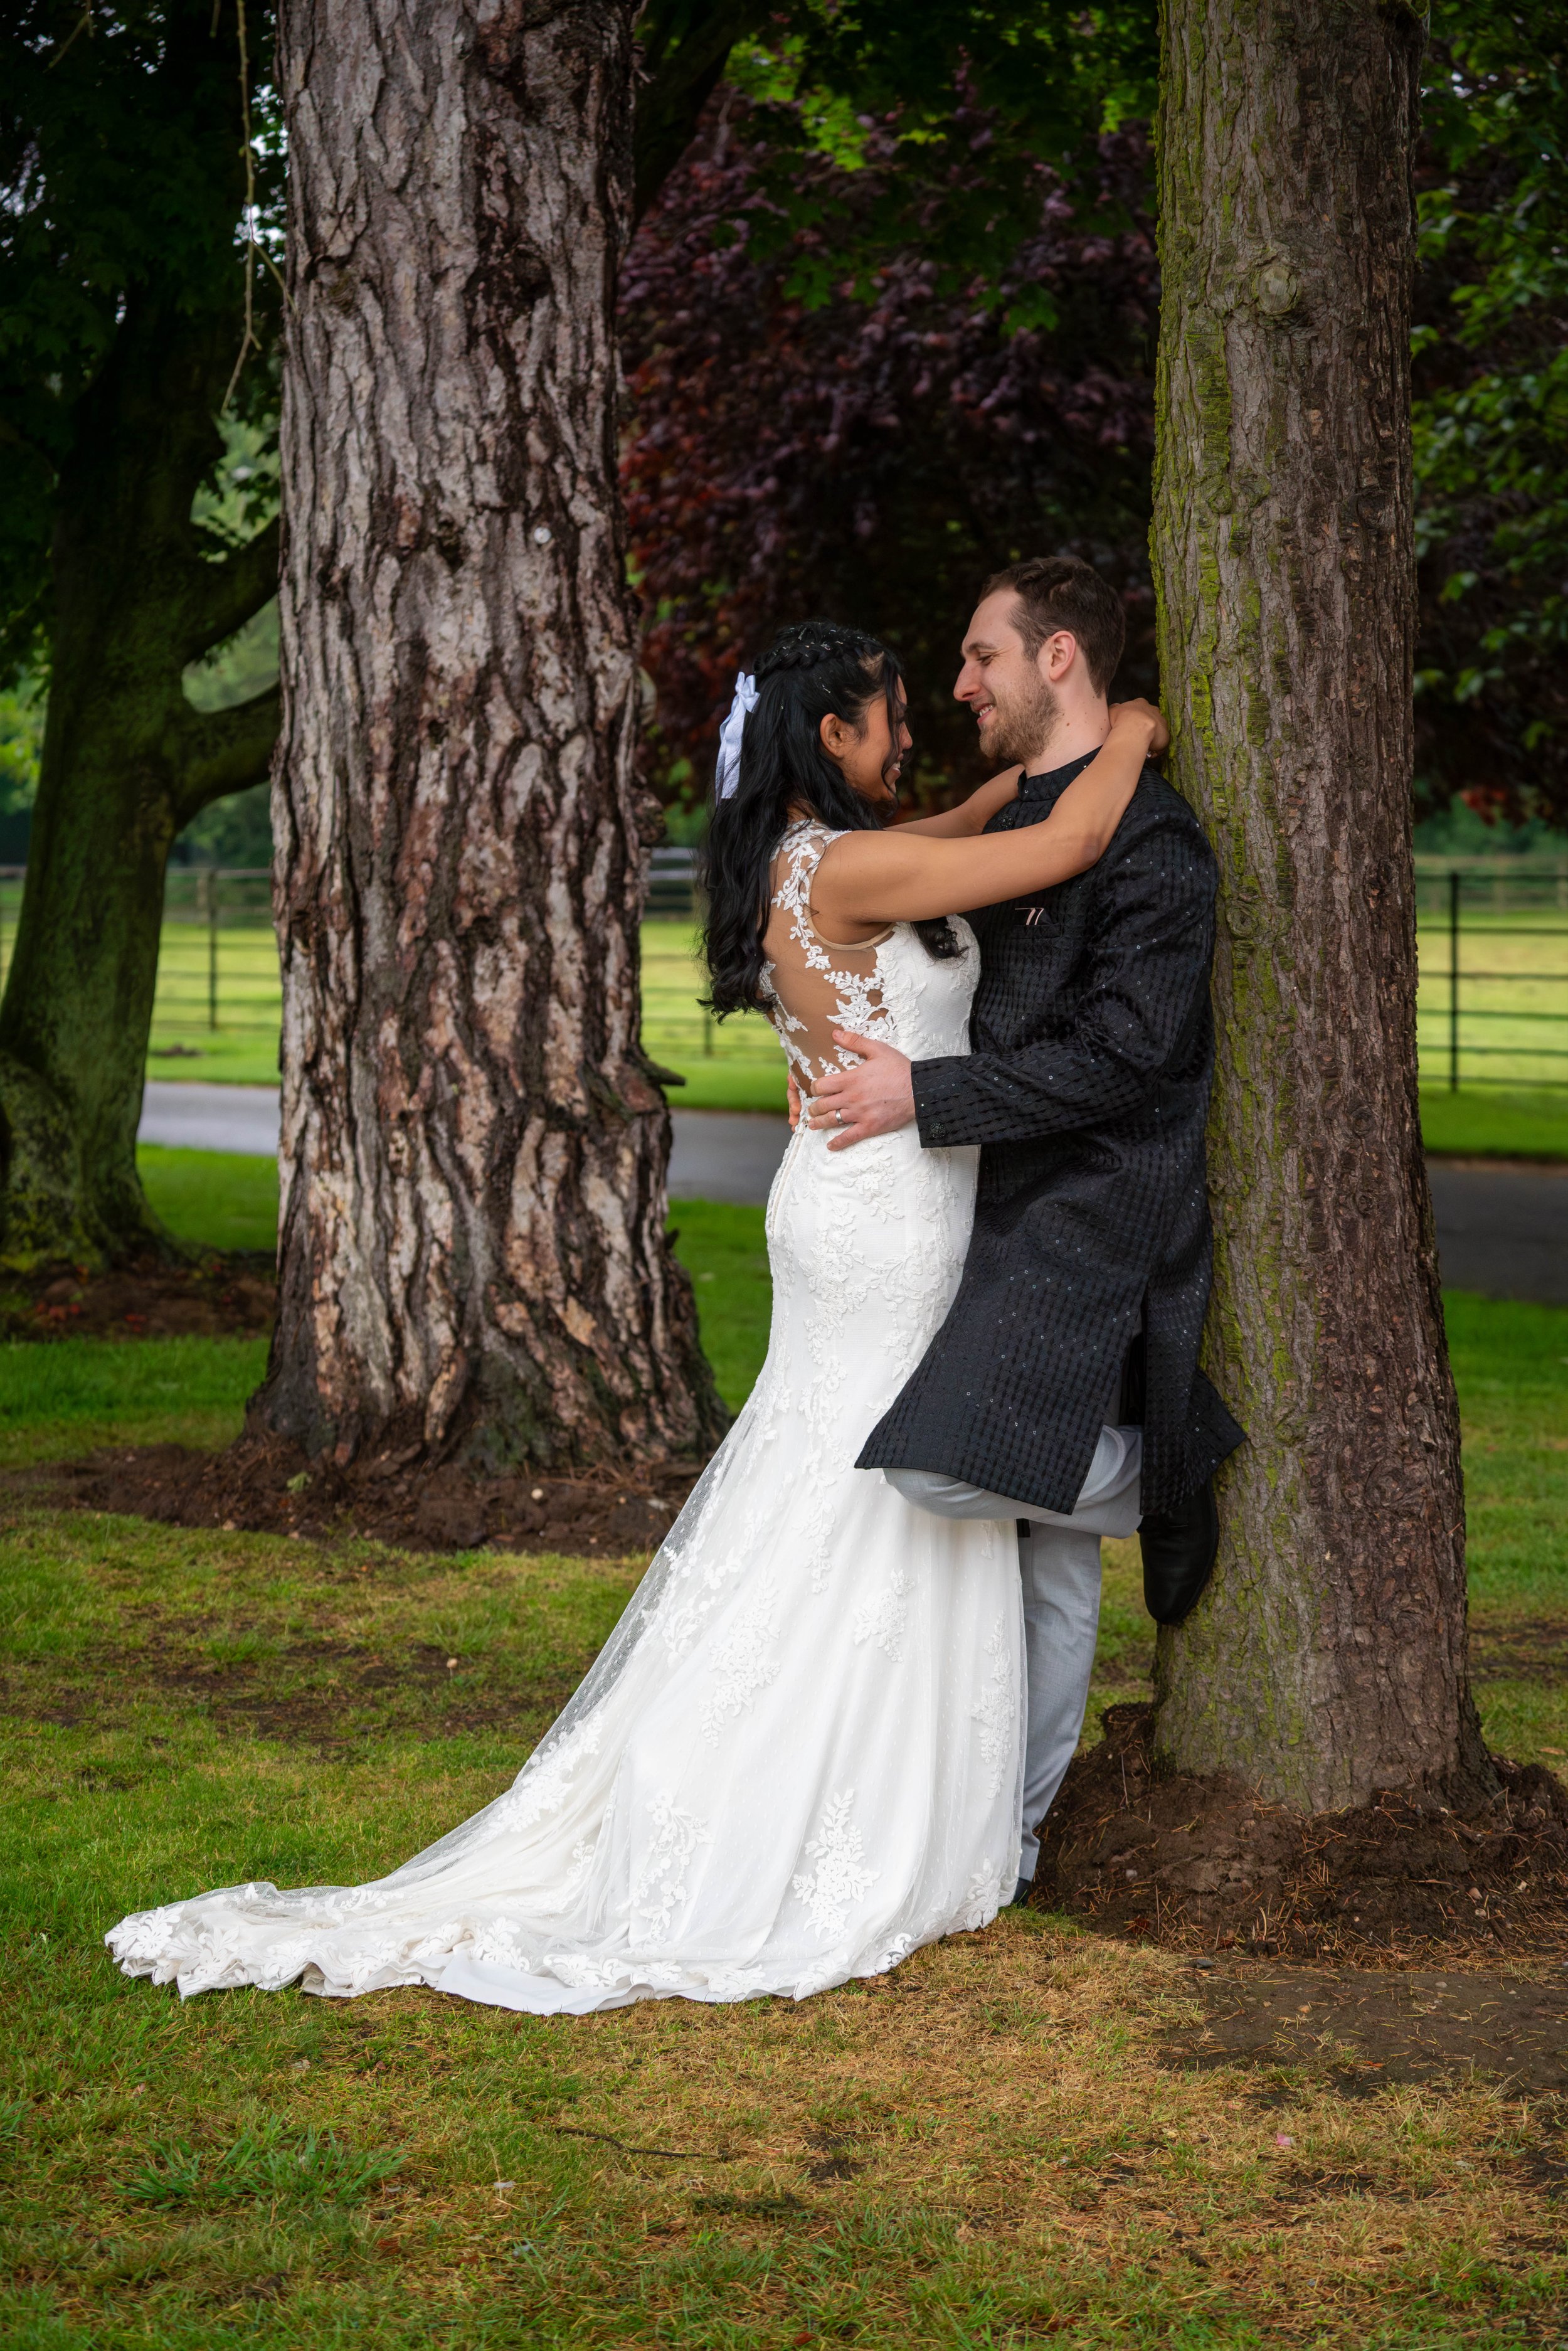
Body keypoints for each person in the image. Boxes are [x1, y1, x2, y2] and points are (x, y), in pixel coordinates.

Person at [106, 618, 1163, 2015]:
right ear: (829, 736)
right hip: (891, 1217)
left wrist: (1005, 782)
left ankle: (829, 1773)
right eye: (888, 714)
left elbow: (971, 817)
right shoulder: (849, 864)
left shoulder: (807, 857)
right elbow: (1051, 846)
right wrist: (1135, 727)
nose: (911, 733)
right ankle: (841, 1799)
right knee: (884, 1489)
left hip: (847, 1203)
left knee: (820, 1480)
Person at [806, 558, 1246, 1900]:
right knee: (1042, 1563)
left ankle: (1163, 1472)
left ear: (1057, 658)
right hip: (985, 1193)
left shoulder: (1152, 842)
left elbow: (1127, 1054)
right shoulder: (1038, 811)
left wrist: (919, 1090)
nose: (957, 685)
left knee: (948, 1475)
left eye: (979, 655)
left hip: (1095, 1202)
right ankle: (1005, 1840)